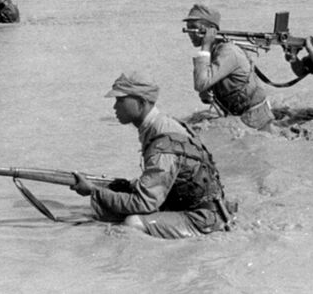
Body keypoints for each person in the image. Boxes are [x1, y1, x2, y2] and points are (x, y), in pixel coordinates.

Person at [69, 71, 232, 239]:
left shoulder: (163, 144)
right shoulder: (161, 125)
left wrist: (94, 192)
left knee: (132, 224)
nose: (114, 107)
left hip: (202, 218)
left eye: (120, 100)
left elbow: (143, 203)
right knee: (114, 200)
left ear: (140, 103)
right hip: (193, 206)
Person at [183, 4, 274, 130]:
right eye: (188, 28)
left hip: (256, 119)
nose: (189, 33)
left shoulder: (228, 52)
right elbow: (204, 91)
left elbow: (200, 84)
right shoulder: (214, 51)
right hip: (239, 115)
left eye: (194, 28)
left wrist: (205, 47)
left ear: (210, 30)